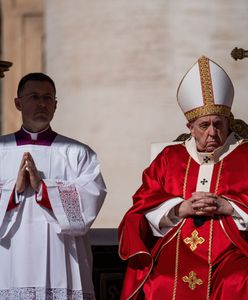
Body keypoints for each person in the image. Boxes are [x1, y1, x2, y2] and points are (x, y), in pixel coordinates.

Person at [118, 56, 248, 300]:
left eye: (218, 124)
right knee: (160, 281)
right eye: (204, 125)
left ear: (228, 122)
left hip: (232, 251)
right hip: (178, 247)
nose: (212, 133)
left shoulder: (245, 154)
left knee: (239, 281)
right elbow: (142, 204)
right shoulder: (170, 157)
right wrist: (179, 208)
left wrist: (229, 206)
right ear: (189, 126)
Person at [0, 73, 107, 299]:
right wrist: (14, 191)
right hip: (10, 257)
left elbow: (91, 198)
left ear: (56, 105)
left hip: (62, 256)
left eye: (48, 98)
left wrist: (43, 189)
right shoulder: (2, 149)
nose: (42, 103)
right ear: (18, 103)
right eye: (34, 97)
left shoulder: (78, 153)